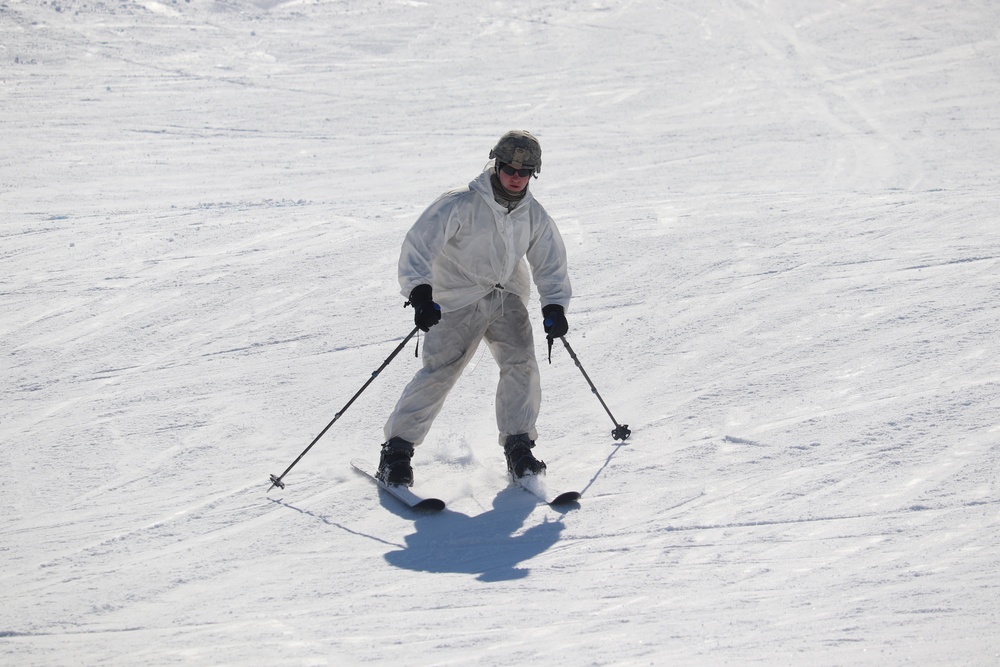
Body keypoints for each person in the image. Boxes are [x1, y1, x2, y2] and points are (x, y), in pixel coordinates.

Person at [376, 130, 572, 488]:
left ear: (533, 174)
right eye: (509, 168)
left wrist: (555, 306)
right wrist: (420, 295)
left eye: (524, 171)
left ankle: (519, 447)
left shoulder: (534, 215)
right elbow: (418, 247)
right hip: (454, 299)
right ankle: (396, 451)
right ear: (496, 165)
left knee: (522, 364)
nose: (515, 176)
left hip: (505, 296)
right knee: (441, 372)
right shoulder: (460, 203)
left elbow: (550, 263)